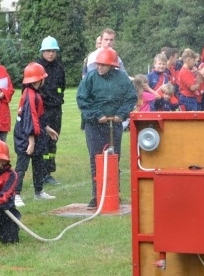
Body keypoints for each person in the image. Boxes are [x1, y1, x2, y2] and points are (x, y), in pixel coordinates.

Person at [76, 47, 137, 209]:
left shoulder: (122, 79)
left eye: (103, 65)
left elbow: (131, 98)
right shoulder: (90, 78)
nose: (100, 67)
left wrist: (121, 114)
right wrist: (97, 115)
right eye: (98, 64)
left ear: (112, 65)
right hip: (94, 125)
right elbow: (82, 99)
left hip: (114, 124)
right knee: (96, 158)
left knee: (114, 158)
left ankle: (113, 193)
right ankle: (96, 195)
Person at [13, 62, 59, 207]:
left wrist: (47, 128)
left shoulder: (34, 93)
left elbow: (38, 116)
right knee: (22, 166)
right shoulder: (30, 95)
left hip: (35, 135)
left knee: (39, 164)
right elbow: (30, 119)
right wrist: (31, 142)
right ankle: (15, 194)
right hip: (25, 136)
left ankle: (39, 191)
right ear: (40, 79)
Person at [35, 36, 66, 186]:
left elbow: (62, 87)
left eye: (53, 51)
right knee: (42, 142)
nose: (51, 54)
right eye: (48, 51)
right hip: (43, 110)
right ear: (43, 51)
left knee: (53, 141)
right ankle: (40, 173)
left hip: (56, 110)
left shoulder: (59, 68)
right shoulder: (37, 67)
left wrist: (57, 99)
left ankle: (49, 172)